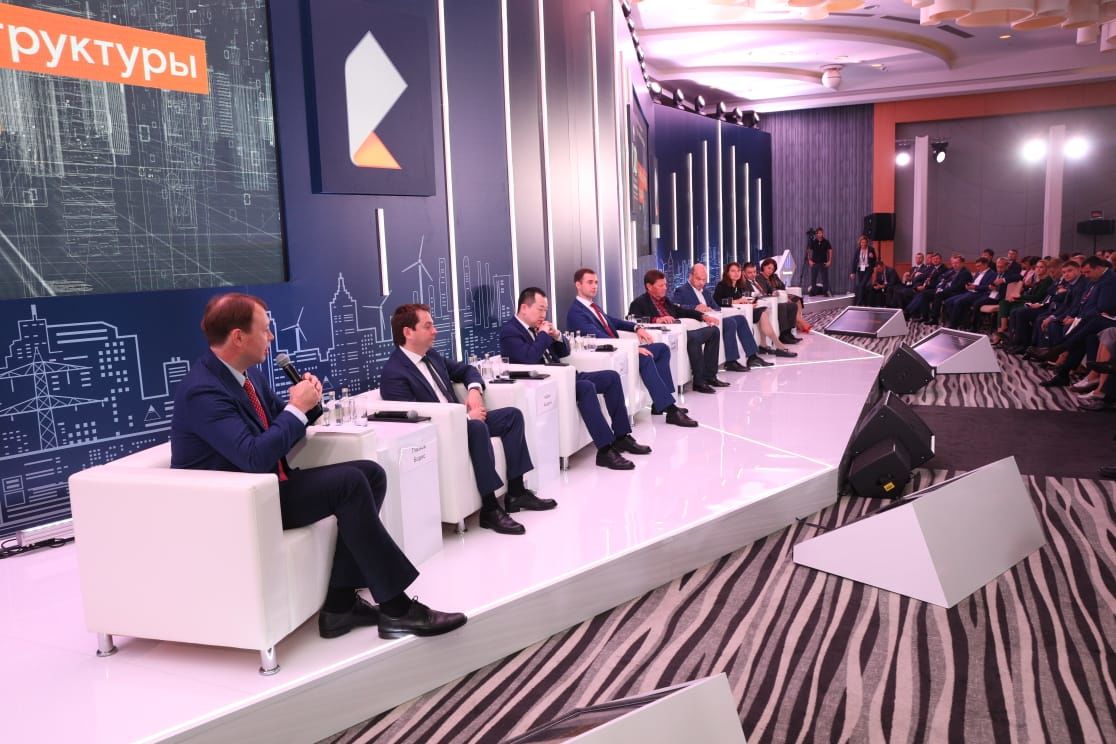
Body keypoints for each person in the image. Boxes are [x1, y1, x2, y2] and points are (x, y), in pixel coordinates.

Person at [171, 293, 465, 641]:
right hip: (236, 504)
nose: (271, 338)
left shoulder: (248, 378)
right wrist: (296, 409)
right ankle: (397, 608)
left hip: (268, 488)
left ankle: (340, 605)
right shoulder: (203, 391)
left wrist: (309, 404)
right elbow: (253, 456)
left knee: (370, 474)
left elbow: (283, 424)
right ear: (238, 337)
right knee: (350, 483)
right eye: (264, 330)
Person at [381, 304, 553, 536]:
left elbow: (467, 371)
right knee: (477, 428)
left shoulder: (431, 356)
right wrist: (465, 418)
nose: (435, 331)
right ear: (408, 332)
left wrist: (474, 391)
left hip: (465, 422)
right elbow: (413, 422)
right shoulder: (394, 373)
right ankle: (490, 509)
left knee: (512, 416)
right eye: (428, 326)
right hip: (440, 433)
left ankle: (516, 492)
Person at [499, 287, 650, 470]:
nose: (543, 314)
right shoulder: (510, 331)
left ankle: (621, 436)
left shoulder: (538, 328)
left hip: (568, 376)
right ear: (524, 308)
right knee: (585, 387)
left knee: (611, 377)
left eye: (546, 310)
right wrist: (543, 336)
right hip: (549, 383)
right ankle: (605, 450)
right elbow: (528, 358)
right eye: (540, 309)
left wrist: (556, 336)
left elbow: (564, 352)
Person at [566, 268, 698, 427]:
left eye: (596, 282)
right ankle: (671, 410)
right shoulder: (576, 312)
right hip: (611, 353)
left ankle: (660, 403)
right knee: (645, 357)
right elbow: (599, 337)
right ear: (578, 285)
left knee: (662, 349)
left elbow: (613, 321)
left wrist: (636, 328)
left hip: (621, 349)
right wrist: (632, 349)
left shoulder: (593, 307)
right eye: (590, 282)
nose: (594, 286)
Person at [629, 269, 726, 394]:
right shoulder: (639, 303)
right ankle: (699, 382)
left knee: (713, 331)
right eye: (661, 285)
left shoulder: (665, 301)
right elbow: (633, 320)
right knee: (694, 339)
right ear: (649, 286)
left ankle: (710, 376)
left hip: (679, 333)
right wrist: (657, 319)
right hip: (663, 336)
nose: (665, 288)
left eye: (665, 285)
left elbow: (682, 311)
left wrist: (703, 316)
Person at [671, 262, 761, 371]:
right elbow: (675, 307)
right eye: (698, 279)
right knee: (730, 323)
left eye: (704, 280)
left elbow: (717, 307)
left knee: (740, 319)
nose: (701, 283)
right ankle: (731, 361)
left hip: (714, 318)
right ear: (690, 276)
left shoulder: (705, 292)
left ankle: (752, 356)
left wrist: (711, 309)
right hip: (700, 321)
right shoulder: (682, 290)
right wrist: (695, 307)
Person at [712, 262, 795, 358]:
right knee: (762, 313)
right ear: (727, 273)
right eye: (733, 271)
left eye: (738, 271)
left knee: (763, 311)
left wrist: (748, 303)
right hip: (730, 314)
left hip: (743, 311)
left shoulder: (738, 285)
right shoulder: (722, 285)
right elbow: (717, 302)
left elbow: (741, 300)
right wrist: (736, 301)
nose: (736, 273)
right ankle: (778, 346)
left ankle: (764, 344)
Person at [992, 259, 1052, 345]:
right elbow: (1031, 293)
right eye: (1037, 267)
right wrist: (1019, 295)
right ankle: (1004, 331)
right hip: (1029, 301)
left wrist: (1019, 297)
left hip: (1037, 304)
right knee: (1004, 302)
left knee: (1015, 310)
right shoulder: (1039, 280)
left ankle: (1015, 339)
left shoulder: (1047, 281)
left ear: (1046, 269)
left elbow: (1037, 297)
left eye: (1041, 267)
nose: (1038, 269)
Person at [756, 257, 809, 339]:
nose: (770, 271)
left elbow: (782, 286)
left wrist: (782, 293)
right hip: (774, 297)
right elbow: (766, 291)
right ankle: (800, 322)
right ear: (763, 266)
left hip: (781, 294)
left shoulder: (774, 276)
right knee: (789, 302)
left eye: (772, 269)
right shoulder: (759, 277)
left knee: (796, 299)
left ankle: (798, 322)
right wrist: (778, 292)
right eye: (769, 268)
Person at [849, 235, 877, 304]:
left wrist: (872, 257)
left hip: (868, 269)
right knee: (862, 286)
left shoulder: (871, 249)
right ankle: (864, 302)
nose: (863, 244)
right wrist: (853, 272)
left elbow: (875, 260)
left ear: (866, 243)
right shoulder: (858, 250)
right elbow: (854, 261)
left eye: (864, 242)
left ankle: (859, 303)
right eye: (862, 242)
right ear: (860, 243)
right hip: (860, 269)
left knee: (861, 285)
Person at [806, 227, 833, 296]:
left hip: (823, 263)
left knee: (825, 279)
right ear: (816, 234)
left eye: (821, 233)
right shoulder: (813, 242)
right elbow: (808, 250)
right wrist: (809, 260)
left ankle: (825, 292)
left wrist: (829, 261)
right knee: (813, 278)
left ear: (823, 233)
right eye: (818, 233)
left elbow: (830, 250)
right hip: (815, 263)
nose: (820, 234)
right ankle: (813, 291)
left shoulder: (826, 242)